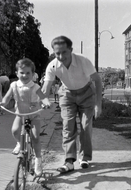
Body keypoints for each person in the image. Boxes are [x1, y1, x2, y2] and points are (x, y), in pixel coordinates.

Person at [42, 36, 102, 173]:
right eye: (57, 53)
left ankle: (84, 158)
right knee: (68, 126)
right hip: (67, 94)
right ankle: (69, 161)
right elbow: (46, 88)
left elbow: (97, 81)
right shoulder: (52, 66)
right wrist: (41, 99)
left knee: (86, 126)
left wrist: (98, 104)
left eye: (64, 52)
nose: (61, 56)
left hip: (86, 93)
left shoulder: (83, 61)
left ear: (71, 50)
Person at [0, 58, 51, 177]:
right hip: (20, 114)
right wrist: (2, 103)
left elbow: (43, 97)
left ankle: (38, 160)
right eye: (22, 72)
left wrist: (46, 102)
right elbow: (7, 98)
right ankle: (20, 144)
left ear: (33, 74)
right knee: (15, 131)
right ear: (17, 73)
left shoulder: (35, 87)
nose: (25, 75)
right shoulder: (14, 85)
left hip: (34, 115)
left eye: (28, 73)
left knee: (36, 137)